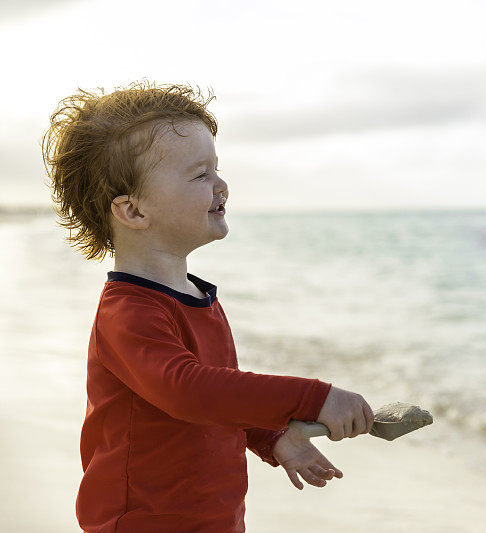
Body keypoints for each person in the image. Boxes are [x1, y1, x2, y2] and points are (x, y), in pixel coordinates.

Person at [41, 80, 374, 532]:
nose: (222, 185)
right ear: (133, 211)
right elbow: (188, 391)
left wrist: (274, 438)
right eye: (200, 175)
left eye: (216, 168)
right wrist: (313, 397)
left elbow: (219, 398)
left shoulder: (199, 299)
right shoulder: (128, 312)